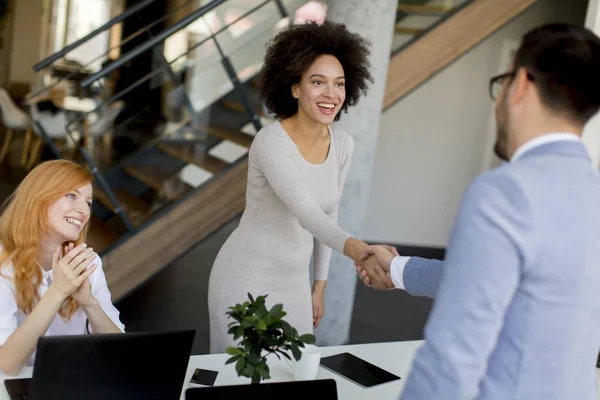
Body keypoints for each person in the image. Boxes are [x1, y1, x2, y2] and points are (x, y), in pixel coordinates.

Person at [357, 23, 600, 399]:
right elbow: (510, 286)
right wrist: (397, 269)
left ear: (519, 84)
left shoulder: (505, 192)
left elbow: (450, 362)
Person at [207, 21, 395, 353]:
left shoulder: (342, 143)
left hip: (294, 283)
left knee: (293, 378)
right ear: (295, 88)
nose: (331, 94)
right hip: (245, 279)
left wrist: (318, 286)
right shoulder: (271, 142)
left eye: (339, 84)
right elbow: (307, 212)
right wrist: (361, 251)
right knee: (239, 383)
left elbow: (329, 212)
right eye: (317, 82)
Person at [0, 160, 125, 376]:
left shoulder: (88, 263)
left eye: (88, 201)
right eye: (71, 196)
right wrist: (58, 291)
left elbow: (122, 353)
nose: (83, 210)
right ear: (38, 199)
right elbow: (6, 365)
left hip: (72, 384)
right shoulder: (4, 263)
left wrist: (89, 303)